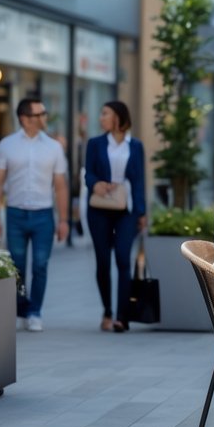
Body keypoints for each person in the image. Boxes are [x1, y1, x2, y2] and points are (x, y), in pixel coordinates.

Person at [0, 98, 70, 332]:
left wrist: (64, 220)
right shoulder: (7, 145)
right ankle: (20, 309)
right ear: (25, 119)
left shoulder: (54, 147)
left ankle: (35, 311)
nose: (45, 117)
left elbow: (61, 185)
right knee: (17, 266)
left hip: (44, 215)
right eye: (40, 114)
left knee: (41, 265)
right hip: (15, 214)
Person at [84, 101, 147, 333]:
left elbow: (139, 180)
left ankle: (122, 316)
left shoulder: (135, 145)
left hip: (126, 209)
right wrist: (95, 184)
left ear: (118, 117)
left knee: (123, 258)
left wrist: (141, 212)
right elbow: (87, 173)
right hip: (99, 208)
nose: (101, 118)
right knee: (102, 261)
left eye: (105, 114)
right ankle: (107, 311)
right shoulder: (95, 144)